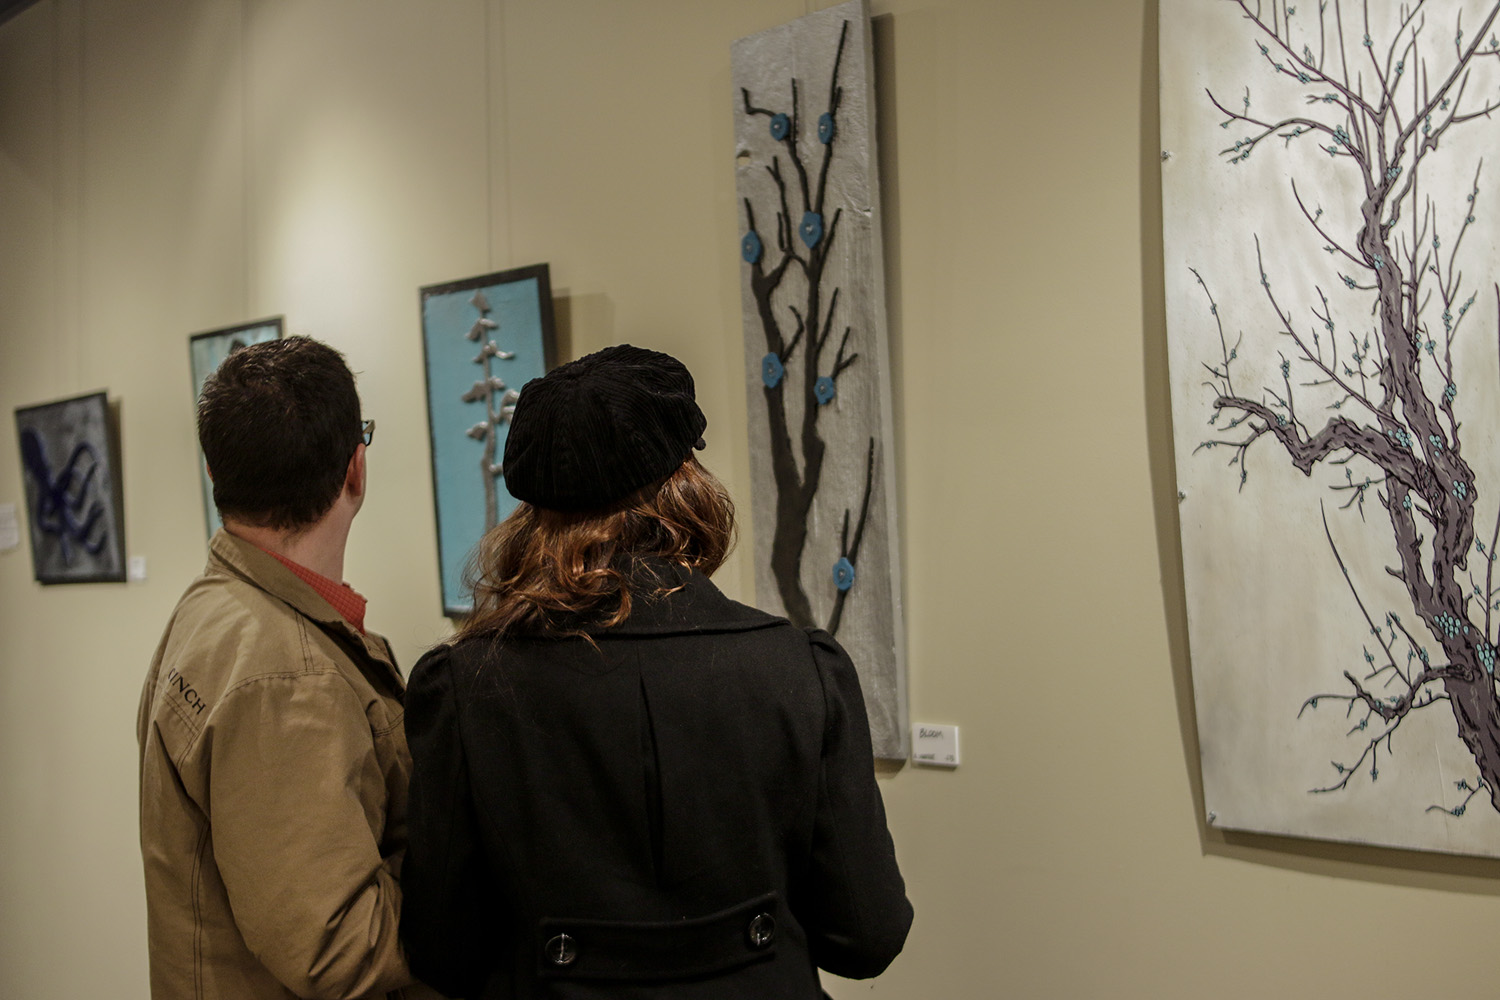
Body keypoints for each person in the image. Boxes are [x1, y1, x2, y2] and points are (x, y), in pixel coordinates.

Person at [400, 344, 913, 999]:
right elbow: (867, 936)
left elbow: (442, 951)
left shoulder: (464, 686)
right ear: (685, 484)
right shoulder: (799, 670)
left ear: (532, 512)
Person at [137, 336, 436, 1000]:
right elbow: (339, 948)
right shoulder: (287, 677)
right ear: (356, 470)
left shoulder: (213, 607)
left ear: (215, 473)